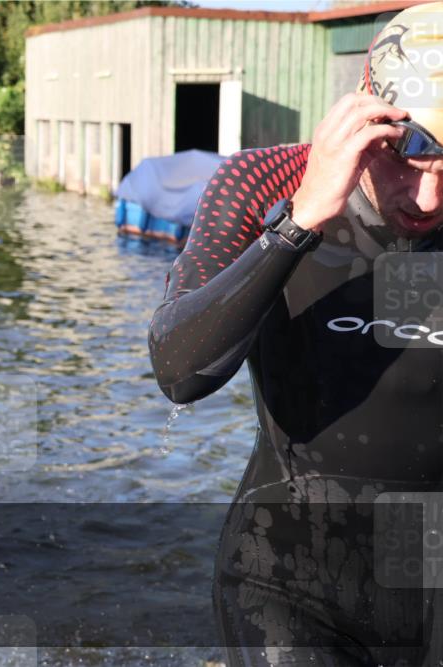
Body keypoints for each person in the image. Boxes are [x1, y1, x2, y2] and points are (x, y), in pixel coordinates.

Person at [148, 5, 442, 665]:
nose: (426, 198)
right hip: (289, 585)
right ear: (366, 112)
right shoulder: (265, 181)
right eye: (407, 153)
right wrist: (301, 219)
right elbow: (179, 370)